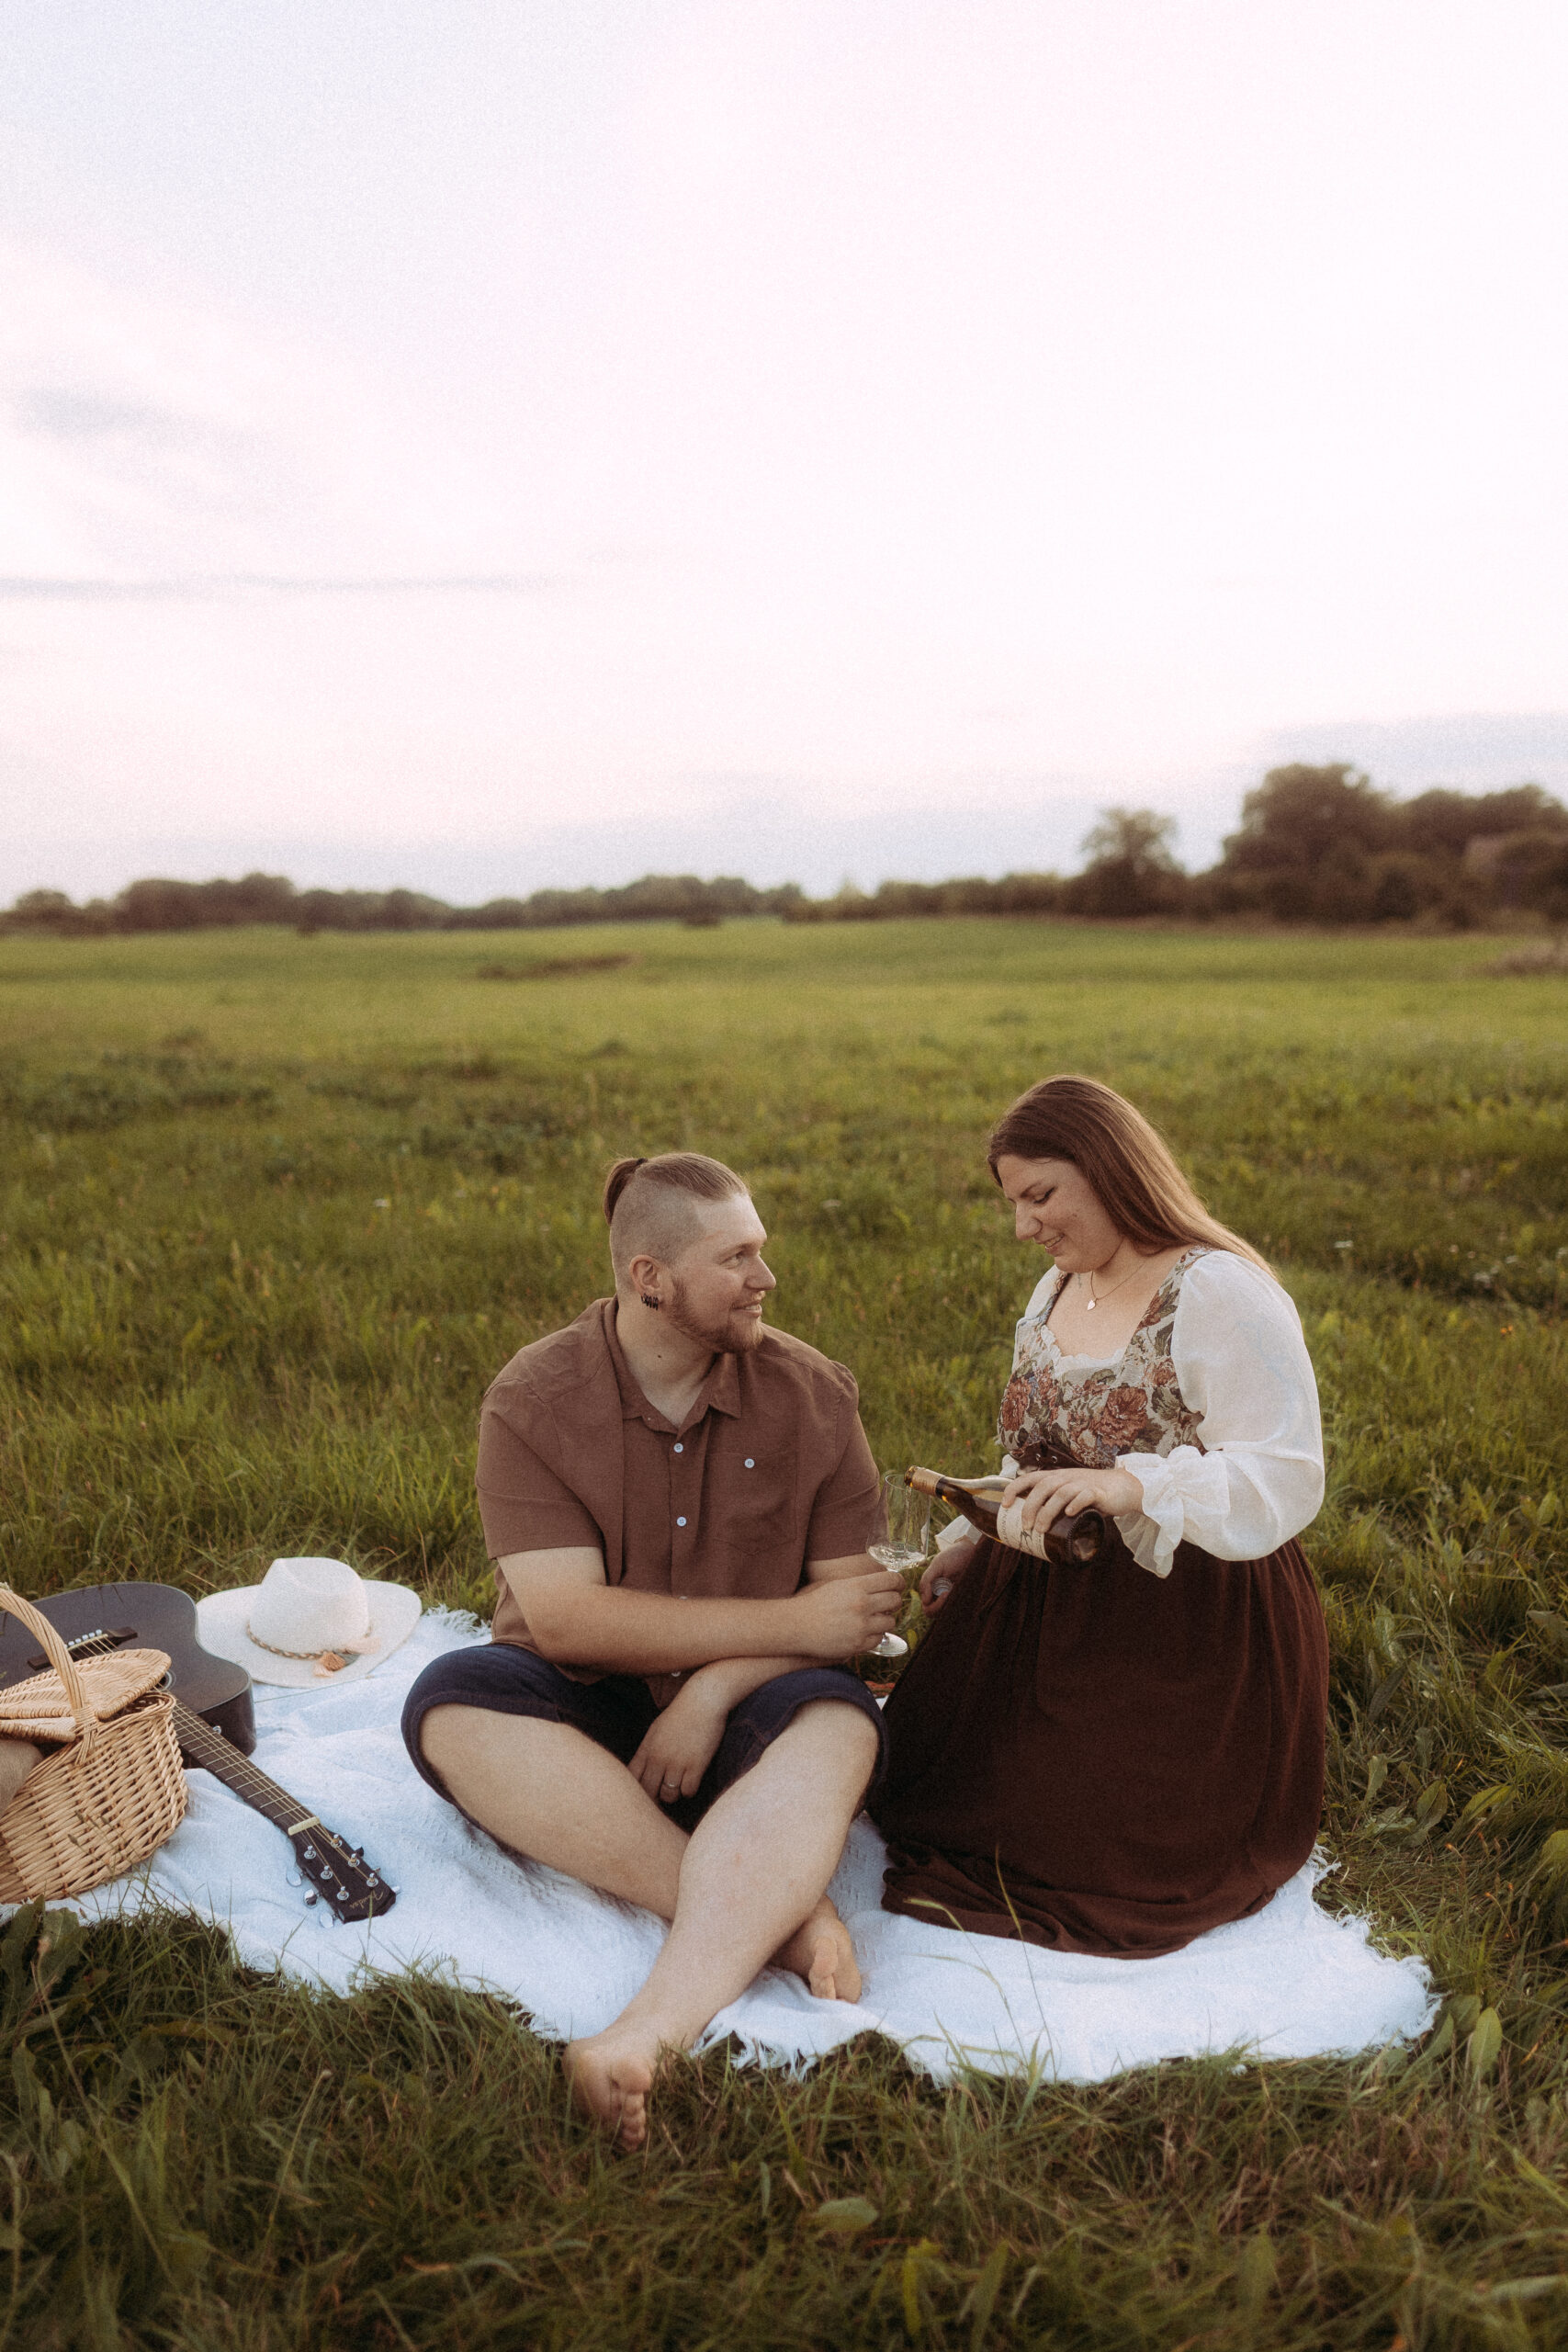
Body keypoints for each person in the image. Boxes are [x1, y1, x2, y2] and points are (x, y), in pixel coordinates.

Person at [401, 1152, 902, 2151]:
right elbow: (570, 1623)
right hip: (582, 1697)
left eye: (762, 1251)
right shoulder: (534, 1399)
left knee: (840, 1724)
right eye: (739, 1257)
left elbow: (850, 1613)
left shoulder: (813, 1396)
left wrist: (713, 1689)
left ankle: (642, 2034)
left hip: (755, 1700)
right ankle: (781, 1919)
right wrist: (792, 1623)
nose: (768, 1277)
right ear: (650, 1279)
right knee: (449, 1701)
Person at [872, 1074, 1328, 1958]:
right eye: (1012, 1204)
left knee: (1093, 1854)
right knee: (932, 1793)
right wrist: (974, 1541)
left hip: (1186, 1613)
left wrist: (1134, 1487)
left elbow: (1284, 1471)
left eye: (1040, 1195)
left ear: (1110, 1168)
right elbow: (1031, 1454)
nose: (1023, 1226)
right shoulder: (1053, 1291)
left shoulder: (1216, 1290)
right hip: (1048, 1586)